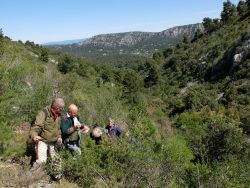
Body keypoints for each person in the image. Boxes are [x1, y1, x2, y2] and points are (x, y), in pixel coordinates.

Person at [29, 97, 65, 179]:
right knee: (41, 161)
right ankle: (30, 178)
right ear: (57, 108)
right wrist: (34, 135)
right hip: (43, 140)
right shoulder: (43, 113)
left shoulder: (58, 114)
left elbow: (58, 128)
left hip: (54, 142)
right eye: (62, 108)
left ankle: (56, 179)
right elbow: (36, 126)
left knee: (57, 161)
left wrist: (59, 137)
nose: (63, 109)